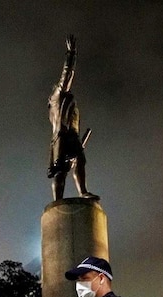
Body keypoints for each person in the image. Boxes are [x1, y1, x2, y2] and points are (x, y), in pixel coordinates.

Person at [47, 34, 98, 201]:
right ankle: (58, 200)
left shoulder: (62, 100)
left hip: (70, 135)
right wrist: (71, 54)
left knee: (78, 160)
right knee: (60, 169)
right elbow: (66, 74)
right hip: (63, 135)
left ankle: (82, 192)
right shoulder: (57, 95)